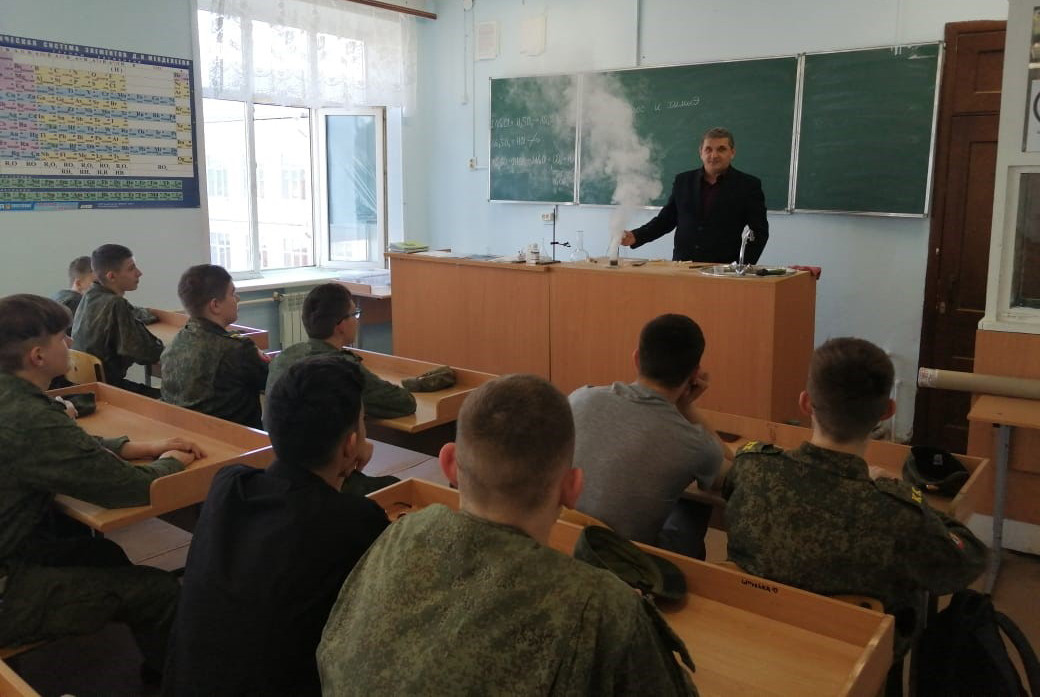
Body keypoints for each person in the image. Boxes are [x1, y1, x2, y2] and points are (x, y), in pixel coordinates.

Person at [317, 374, 697, 696]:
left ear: (449, 464)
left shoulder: (400, 536)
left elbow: (332, 651)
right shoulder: (604, 608)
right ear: (571, 488)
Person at [722, 337, 986, 658]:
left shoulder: (752, 468)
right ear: (887, 411)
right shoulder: (899, 514)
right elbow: (969, 561)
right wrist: (904, 494)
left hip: (752, 641)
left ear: (805, 403)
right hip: (855, 660)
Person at [0, 294, 201, 679]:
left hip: (13, 552)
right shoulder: (28, 417)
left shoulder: (14, 398)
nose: (70, 343)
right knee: (161, 592)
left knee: (102, 553)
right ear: (38, 356)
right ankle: (178, 683)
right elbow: (130, 489)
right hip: (6, 589)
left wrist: (129, 446)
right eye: (62, 337)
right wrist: (171, 461)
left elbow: (57, 444)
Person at [164, 356, 388, 697]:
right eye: (362, 423)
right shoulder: (358, 521)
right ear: (349, 445)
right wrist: (348, 468)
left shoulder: (229, 485)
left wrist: (344, 463)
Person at [570, 314, 726, 559]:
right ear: (694, 374)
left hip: (566, 543)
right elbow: (733, 476)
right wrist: (687, 407)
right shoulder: (694, 443)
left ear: (636, 358)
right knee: (695, 501)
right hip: (629, 563)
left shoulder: (579, 398)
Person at [266, 283, 415, 419]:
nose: (357, 320)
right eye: (355, 314)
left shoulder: (284, 357)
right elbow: (404, 402)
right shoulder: (342, 368)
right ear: (341, 325)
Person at [621, 127, 769, 264]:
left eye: (721, 149)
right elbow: (666, 220)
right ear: (701, 152)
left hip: (723, 270)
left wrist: (742, 266)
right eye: (708, 149)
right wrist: (636, 236)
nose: (714, 155)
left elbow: (759, 232)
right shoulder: (683, 181)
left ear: (732, 152)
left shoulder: (748, 186)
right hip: (683, 267)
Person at [160, 264, 269, 429]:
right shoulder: (237, 349)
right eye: (232, 293)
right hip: (236, 439)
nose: (237, 298)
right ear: (215, 305)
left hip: (186, 433)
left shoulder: (176, 343)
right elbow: (274, 383)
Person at [72, 244, 164, 396]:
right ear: (112, 276)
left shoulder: (89, 296)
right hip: (108, 390)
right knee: (173, 400)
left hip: (86, 388)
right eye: (131, 268)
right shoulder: (115, 304)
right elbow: (145, 352)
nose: (139, 273)